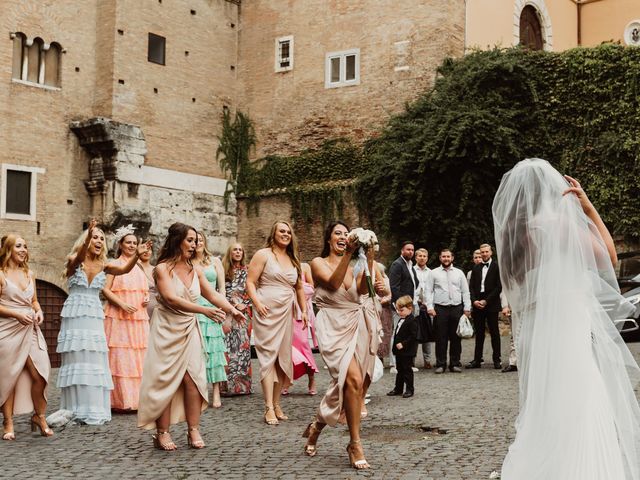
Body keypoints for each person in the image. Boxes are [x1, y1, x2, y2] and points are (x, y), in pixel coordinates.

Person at [493, 158, 640, 479]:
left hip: (535, 332)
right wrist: (588, 208)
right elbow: (609, 258)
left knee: (546, 405)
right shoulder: (554, 223)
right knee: (580, 401)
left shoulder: (512, 236)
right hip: (566, 333)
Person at [137, 223, 243, 451]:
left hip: (189, 328)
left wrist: (232, 309)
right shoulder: (162, 268)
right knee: (166, 381)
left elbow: (212, 294)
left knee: (193, 380)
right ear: (177, 241)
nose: (194, 245)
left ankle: (193, 429)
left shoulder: (196, 270)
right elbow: (170, 298)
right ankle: (162, 432)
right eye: (190, 240)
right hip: (166, 328)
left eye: (196, 240)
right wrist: (203, 310)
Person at [302, 221, 381, 470]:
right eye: (338, 233)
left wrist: (368, 258)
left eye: (347, 234)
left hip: (357, 324)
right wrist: (349, 253)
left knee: (350, 385)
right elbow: (334, 284)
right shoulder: (318, 263)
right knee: (351, 380)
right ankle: (355, 444)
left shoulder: (357, 264)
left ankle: (317, 426)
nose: (343, 236)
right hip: (332, 326)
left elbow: (363, 290)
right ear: (329, 238)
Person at [57, 219, 151, 425]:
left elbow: (125, 269)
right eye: (95, 237)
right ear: (87, 240)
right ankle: (75, 406)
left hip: (94, 312)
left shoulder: (105, 264)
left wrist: (137, 254)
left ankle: (92, 406)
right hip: (76, 312)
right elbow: (78, 258)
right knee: (77, 356)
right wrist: (88, 234)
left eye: (101, 238)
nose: (98, 240)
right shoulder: (75, 258)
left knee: (94, 359)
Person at [246, 221, 307, 425]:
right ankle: (268, 407)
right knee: (267, 357)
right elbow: (250, 282)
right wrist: (257, 303)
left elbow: (299, 287)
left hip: (286, 312)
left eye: (289, 231)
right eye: (282, 231)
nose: (286, 234)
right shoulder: (263, 254)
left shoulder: (293, 258)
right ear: (273, 233)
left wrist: (304, 310)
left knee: (283, 358)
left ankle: (277, 402)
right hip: (266, 310)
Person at [0, 234, 52, 440]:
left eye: (26, 246)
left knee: (41, 374)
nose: (23, 250)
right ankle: (8, 422)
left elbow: (34, 301)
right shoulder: (1, 274)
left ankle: (39, 416)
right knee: (10, 376)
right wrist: (16, 314)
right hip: (7, 329)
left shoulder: (30, 273)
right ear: (8, 249)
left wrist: (39, 311)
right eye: (19, 246)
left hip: (30, 329)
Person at [102, 226, 150, 411]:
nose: (132, 246)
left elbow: (144, 289)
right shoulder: (114, 264)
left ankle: (138, 399)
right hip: (119, 317)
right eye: (128, 242)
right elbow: (105, 289)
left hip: (137, 317)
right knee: (120, 355)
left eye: (134, 243)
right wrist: (121, 304)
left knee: (138, 356)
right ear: (120, 245)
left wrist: (145, 298)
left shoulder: (138, 267)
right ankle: (119, 400)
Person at [192, 233, 227, 408]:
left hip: (213, 308)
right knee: (198, 350)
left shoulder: (215, 261)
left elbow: (221, 287)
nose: (197, 242)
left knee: (214, 350)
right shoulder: (189, 262)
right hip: (195, 308)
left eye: (200, 239)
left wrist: (223, 308)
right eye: (194, 240)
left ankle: (216, 392)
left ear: (205, 241)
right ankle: (200, 390)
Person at [426, 249, 471, 374]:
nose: (446, 258)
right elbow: (428, 291)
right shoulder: (434, 273)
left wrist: (467, 307)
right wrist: (430, 307)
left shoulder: (459, 273)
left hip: (457, 308)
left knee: (456, 337)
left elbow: (465, 291)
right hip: (440, 308)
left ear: (452, 258)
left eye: (448, 256)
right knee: (441, 338)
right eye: (444, 256)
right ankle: (441, 364)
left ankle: (455, 363)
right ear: (440, 258)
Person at [222, 243, 253, 396]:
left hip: (244, 314)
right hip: (228, 313)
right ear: (230, 252)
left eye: (241, 249)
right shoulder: (223, 271)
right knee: (228, 349)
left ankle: (243, 387)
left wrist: (244, 304)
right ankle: (228, 386)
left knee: (243, 349)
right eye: (235, 249)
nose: (238, 252)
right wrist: (231, 306)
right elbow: (220, 291)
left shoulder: (248, 271)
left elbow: (252, 290)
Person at [283, 262, 319, 396]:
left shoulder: (305, 266)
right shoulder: (281, 265)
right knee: (286, 348)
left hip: (300, 313)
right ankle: (287, 379)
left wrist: (295, 289)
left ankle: (311, 379)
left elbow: (311, 288)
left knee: (304, 346)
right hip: (285, 312)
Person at [467, 243, 502, 370]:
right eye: (482, 252)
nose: (484, 254)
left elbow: (499, 287)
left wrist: (486, 301)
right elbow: (471, 287)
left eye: (486, 252)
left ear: (491, 252)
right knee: (479, 333)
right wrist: (474, 301)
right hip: (477, 303)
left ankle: (497, 359)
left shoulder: (497, 267)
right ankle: (477, 359)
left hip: (491, 303)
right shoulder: (476, 268)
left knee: (494, 332)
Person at [387, 241, 419, 373]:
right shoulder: (397, 264)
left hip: (410, 305)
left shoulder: (410, 265)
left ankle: (407, 362)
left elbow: (413, 284)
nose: (410, 252)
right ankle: (394, 363)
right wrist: (400, 306)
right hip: (400, 306)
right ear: (402, 250)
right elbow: (394, 286)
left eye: (412, 250)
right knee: (397, 333)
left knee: (407, 334)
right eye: (408, 249)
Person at [386, 296, 418, 398]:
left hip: (407, 351)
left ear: (410, 309)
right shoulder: (401, 320)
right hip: (399, 351)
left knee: (407, 370)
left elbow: (413, 336)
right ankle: (398, 388)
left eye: (402, 310)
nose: (399, 312)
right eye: (398, 310)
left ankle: (409, 389)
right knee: (399, 370)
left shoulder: (412, 321)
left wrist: (403, 344)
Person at [413, 248, 433, 369]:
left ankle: (428, 360)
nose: (422, 258)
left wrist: (428, 303)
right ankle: (412, 360)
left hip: (427, 306)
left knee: (427, 333)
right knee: (414, 334)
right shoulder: (411, 270)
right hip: (415, 304)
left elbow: (432, 290)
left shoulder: (431, 272)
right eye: (419, 256)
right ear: (416, 257)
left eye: (424, 256)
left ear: (427, 258)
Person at [137, 242, 157, 319]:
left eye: (148, 249)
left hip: (157, 307)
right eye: (143, 249)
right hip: (141, 305)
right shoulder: (135, 268)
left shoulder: (156, 269)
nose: (146, 252)